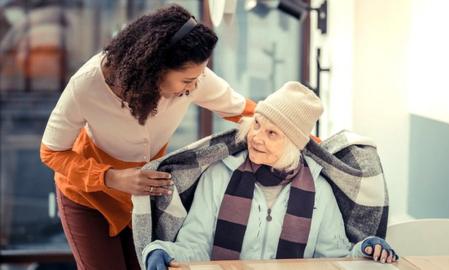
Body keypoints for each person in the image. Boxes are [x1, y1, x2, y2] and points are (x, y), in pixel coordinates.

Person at [39, 4, 255, 270]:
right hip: (88, 197)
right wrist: (112, 177)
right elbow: (51, 152)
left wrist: (302, 136)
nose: (195, 86)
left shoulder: (194, 79)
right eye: (187, 80)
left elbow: (246, 112)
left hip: (140, 200)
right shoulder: (87, 85)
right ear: (154, 68)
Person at [142, 81, 398, 270]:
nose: (256, 137)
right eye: (256, 124)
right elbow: (195, 246)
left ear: (292, 144)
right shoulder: (218, 176)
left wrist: (364, 250)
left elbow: (332, 258)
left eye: (272, 133)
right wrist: (161, 250)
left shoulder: (320, 189)